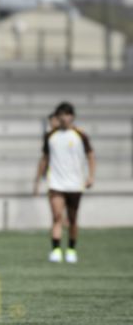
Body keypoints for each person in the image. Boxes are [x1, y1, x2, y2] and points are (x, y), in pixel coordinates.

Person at [34, 102, 95, 263]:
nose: (64, 117)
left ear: (72, 116)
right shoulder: (50, 136)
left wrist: (91, 176)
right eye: (61, 114)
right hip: (56, 183)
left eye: (67, 114)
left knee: (73, 219)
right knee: (57, 216)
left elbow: (90, 156)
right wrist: (38, 180)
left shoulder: (81, 135)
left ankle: (71, 249)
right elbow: (44, 159)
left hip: (75, 184)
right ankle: (55, 250)